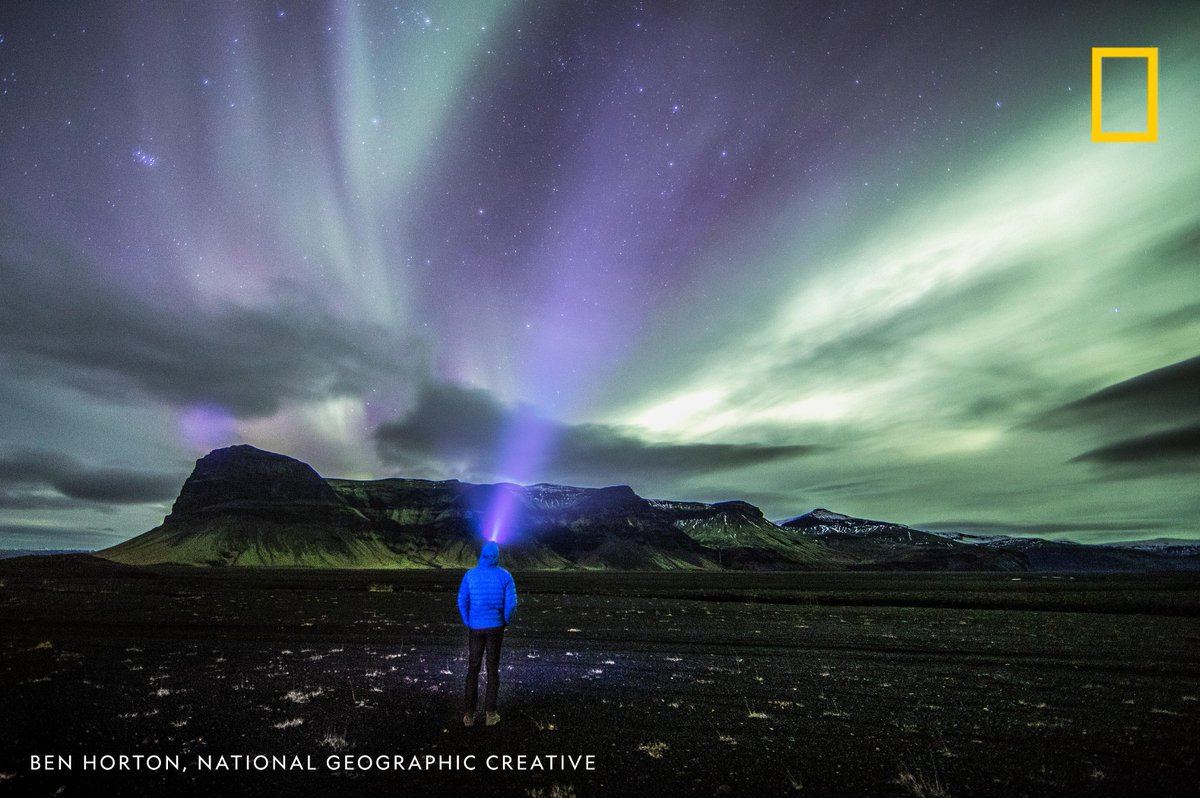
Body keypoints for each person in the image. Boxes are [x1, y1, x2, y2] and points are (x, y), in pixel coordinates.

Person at [457, 540, 517, 727]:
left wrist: (468, 621)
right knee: (492, 669)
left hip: (476, 628)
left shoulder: (470, 575)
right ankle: (491, 714)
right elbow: (512, 603)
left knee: (473, 668)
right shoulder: (505, 576)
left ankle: (469, 715)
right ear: (497, 557)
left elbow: (462, 601)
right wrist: (504, 620)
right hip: (495, 628)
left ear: (481, 555)